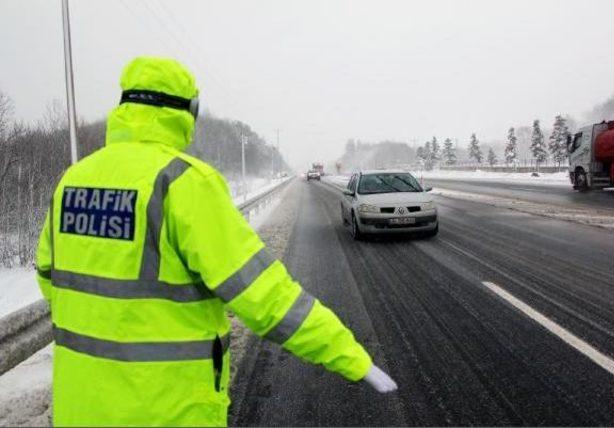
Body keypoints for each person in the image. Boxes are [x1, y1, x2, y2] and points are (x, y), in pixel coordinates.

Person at [35, 56, 396, 427]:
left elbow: (51, 277)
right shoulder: (181, 182)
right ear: (187, 111)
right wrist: (348, 354)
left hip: (79, 408)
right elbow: (264, 295)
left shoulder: (73, 179)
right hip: (167, 409)